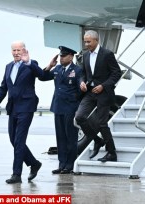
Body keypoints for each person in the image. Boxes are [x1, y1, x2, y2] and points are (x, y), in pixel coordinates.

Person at [0, 41, 43, 184]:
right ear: (11, 51)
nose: (17, 52)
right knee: (13, 140)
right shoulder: (8, 66)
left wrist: (29, 62)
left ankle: (16, 174)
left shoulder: (31, 64)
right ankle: (34, 163)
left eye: (19, 50)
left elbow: (41, 74)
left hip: (26, 106)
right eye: (14, 50)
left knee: (19, 141)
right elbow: (3, 88)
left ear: (24, 50)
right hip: (13, 108)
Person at [75, 30, 122, 162]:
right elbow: (83, 74)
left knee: (102, 123)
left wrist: (103, 85)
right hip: (90, 93)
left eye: (88, 41)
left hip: (104, 93)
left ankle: (111, 153)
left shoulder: (107, 54)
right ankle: (97, 140)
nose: (86, 44)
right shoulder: (85, 55)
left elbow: (116, 73)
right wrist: (82, 82)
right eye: (85, 41)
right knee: (79, 117)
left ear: (96, 41)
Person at [39, 46, 82, 174]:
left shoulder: (77, 70)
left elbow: (80, 90)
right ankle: (61, 164)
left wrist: (75, 102)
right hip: (58, 107)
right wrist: (49, 66)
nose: (61, 58)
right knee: (60, 138)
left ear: (71, 56)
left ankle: (70, 165)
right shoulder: (57, 69)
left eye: (64, 56)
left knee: (71, 138)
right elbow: (42, 77)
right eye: (60, 56)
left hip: (70, 108)